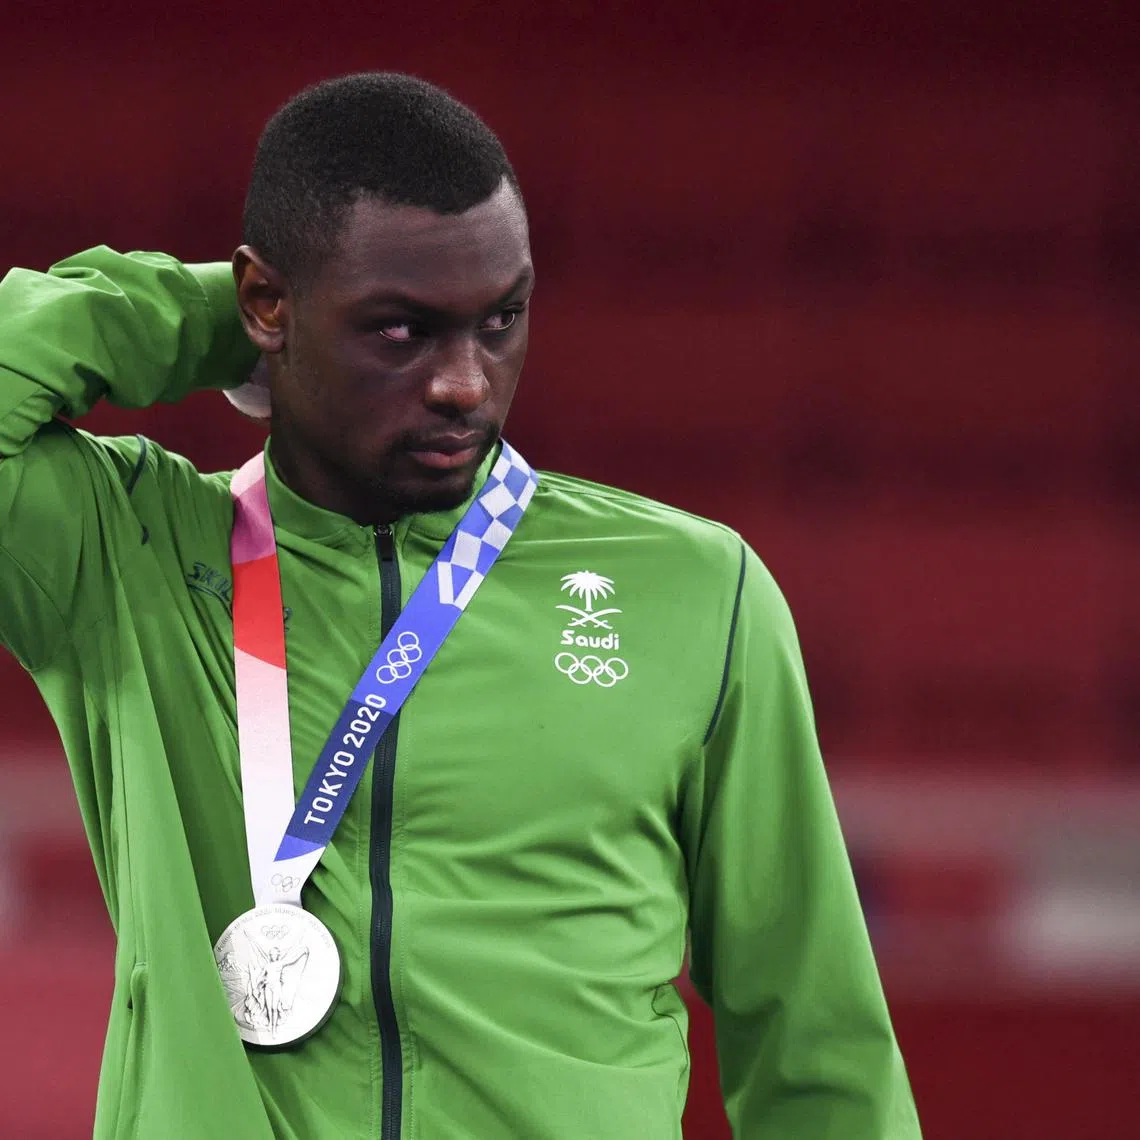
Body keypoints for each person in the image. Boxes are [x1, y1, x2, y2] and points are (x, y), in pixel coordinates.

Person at [0, 73, 921, 1138]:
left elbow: (816, 1045)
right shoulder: (127, 557)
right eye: (402, 331)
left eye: (501, 320)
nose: (465, 384)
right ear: (269, 301)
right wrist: (220, 323)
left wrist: (303, 319)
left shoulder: (696, 590)